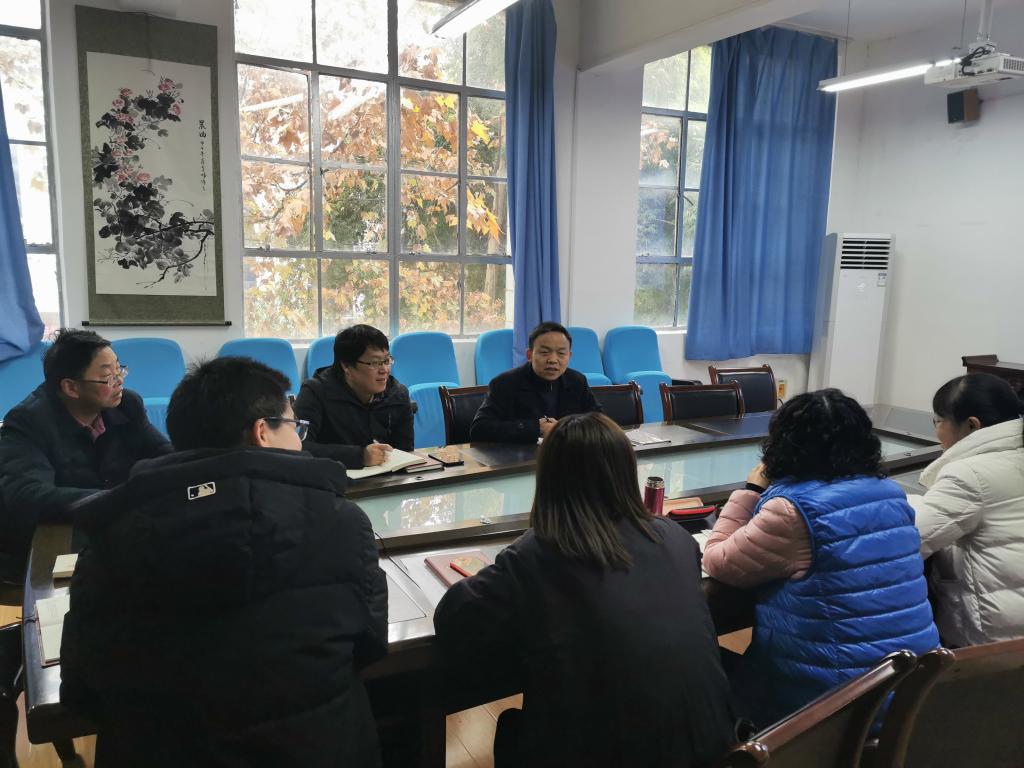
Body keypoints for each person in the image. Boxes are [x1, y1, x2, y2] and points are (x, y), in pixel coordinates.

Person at [60, 357, 388, 767]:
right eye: (295, 427)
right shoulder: (341, 523)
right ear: (262, 432)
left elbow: (82, 686)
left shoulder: (109, 536)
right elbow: (370, 647)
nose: (301, 441)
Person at [434, 412, 736, 767]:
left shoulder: (537, 553)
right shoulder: (675, 538)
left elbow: (453, 617)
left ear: (549, 478)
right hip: (715, 751)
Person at [702, 389, 938, 728]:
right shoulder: (892, 494)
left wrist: (751, 491)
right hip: (912, 691)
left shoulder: (791, 511)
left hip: (834, 706)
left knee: (704, 664)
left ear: (783, 445)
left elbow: (717, 560)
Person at [0, 328, 170, 582]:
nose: (119, 381)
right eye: (107, 377)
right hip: (46, 545)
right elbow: (27, 496)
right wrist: (118, 498)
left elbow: (164, 456)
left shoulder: (126, 406)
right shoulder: (28, 422)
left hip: (110, 532)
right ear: (71, 387)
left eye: (119, 370)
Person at [908, 373, 1024, 647]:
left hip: (995, 638)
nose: (937, 431)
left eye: (938, 421)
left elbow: (912, 541)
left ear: (972, 425)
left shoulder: (969, 474)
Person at [293, 324, 414, 469]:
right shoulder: (315, 392)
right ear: (346, 366)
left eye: (387, 361)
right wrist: (359, 456)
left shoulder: (397, 394)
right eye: (374, 363)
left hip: (387, 478)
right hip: (332, 478)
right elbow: (298, 447)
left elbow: (405, 452)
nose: (384, 370)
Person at [470, 322, 602, 444]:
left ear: (569, 356)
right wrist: (536, 428)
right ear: (529, 355)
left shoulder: (577, 381)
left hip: (567, 454)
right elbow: (479, 429)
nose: (553, 360)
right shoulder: (505, 383)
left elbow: (600, 421)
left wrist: (566, 428)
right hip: (521, 458)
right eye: (544, 352)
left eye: (561, 353)